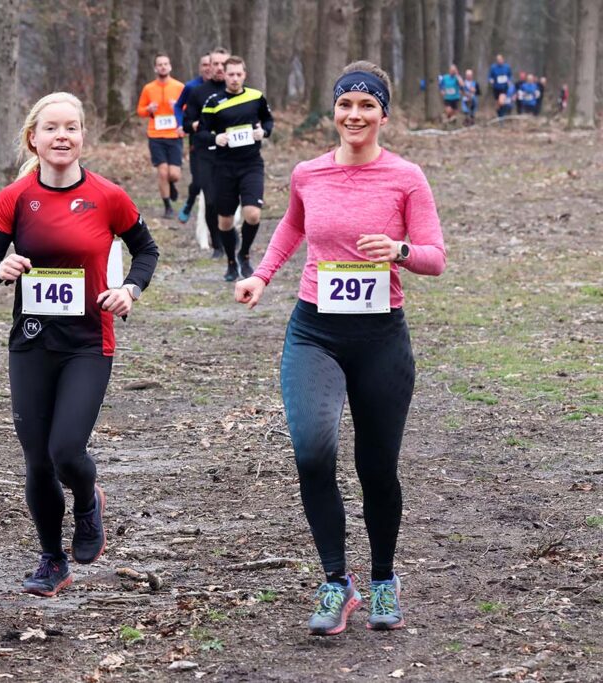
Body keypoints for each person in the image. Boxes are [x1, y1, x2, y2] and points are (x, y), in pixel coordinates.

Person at [234, 60, 446, 636]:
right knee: (311, 451)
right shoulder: (308, 173)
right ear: (333, 111)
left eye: (367, 105)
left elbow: (435, 256)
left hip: (381, 336)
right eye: (345, 105)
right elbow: (291, 227)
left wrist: (398, 250)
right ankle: (336, 581)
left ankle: (382, 580)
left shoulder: (406, 177)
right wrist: (263, 275)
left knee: (377, 467)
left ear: (383, 113)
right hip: (315, 330)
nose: (354, 116)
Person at [0, 92, 159, 597]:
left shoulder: (107, 195)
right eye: (51, 128)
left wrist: (129, 289)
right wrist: (1, 268)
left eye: (71, 128)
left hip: (87, 342)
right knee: (36, 460)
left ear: (82, 136)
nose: (61, 137)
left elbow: (145, 250)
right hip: (32, 343)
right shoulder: (15, 197)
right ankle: (52, 560)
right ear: (33, 137)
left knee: (65, 450)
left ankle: (87, 499)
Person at [200, 55, 274, 282]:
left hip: (251, 164)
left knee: (252, 214)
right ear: (224, 75)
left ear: (244, 75)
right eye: (230, 74)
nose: (234, 78)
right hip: (223, 167)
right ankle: (231, 261)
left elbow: (269, 121)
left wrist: (264, 132)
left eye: (238, 74)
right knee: (226, 221)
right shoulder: (213, 102)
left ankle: (245, 253)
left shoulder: (256, 97)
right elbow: (201, 133)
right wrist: (216, 137)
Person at [183, 48, 230, 259]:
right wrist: (199, 126)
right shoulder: (198, 93)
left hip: (231, 155)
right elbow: (185, 123)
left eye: (223, 64)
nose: (219, 68)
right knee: (210, 200)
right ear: (208, 66)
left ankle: (227, 233)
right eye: (215, 64)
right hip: (204, 153)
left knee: (226, 200)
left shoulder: (241, 93)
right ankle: (217, 245)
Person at [137, 53, 185, 219]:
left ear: (170, 66)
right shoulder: (148, 88)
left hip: (174, 135)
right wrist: (148, 109)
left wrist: (178, 107)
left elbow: (189, 109)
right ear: (155, 68)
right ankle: (167, 207)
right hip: (155, 134)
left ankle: (172, 184)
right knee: (162, 172)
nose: (163, 67)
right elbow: (140, 111)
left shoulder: (179, 87)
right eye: (160, 64)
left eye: (166, 64)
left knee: (174, 174)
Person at [175, 53, 213, 224]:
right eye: (204, 64)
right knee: (198, 180)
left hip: (218, 142)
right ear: (200, 67)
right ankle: (190, 203)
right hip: (196, 140)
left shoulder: (222, 88)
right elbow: (178, 105)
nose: (207, 68)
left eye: (210, 64)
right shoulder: (191, 87)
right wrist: (180, 124)